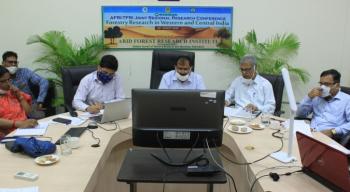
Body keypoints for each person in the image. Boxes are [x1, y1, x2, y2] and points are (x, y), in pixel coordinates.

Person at [296, 69, 350, 138]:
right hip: (311, 134)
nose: (322, 87)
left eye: (326, 84)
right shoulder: (316, 96)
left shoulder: (347, 100)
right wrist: (308, 97)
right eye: (321, 83)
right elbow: (300, 114)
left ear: (337, 85)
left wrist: (333, 131)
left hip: (332, 138)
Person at [2, 51, 49, 119]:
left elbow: (43, 81)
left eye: (15, 62)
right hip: (12, 106)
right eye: (10, 62)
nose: (13, 64)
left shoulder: (24, 72)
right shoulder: (1, 76)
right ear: (3, 63)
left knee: (41, 118)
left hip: (30, 104)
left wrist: (40, 101)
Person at [0, 66, 38, 138]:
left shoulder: (13, 92)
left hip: (25, 130)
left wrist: (19, 96)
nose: (8, 84)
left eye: (9, 80)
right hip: (8, 135)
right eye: (3, 81)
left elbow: (29, 112)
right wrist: (19, 124)